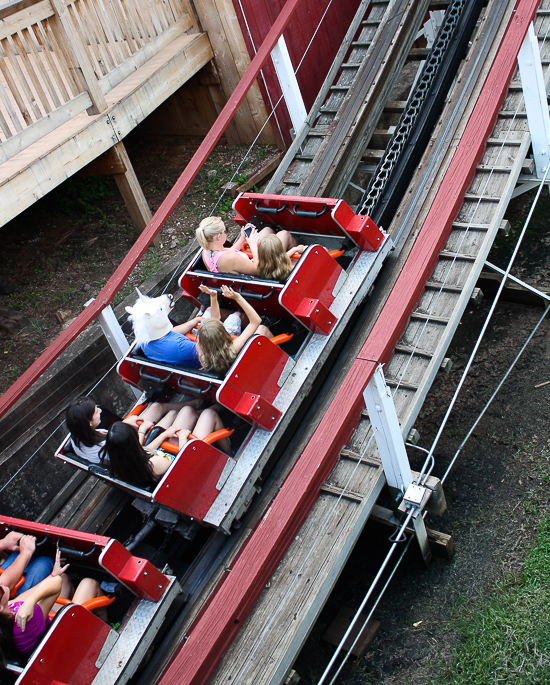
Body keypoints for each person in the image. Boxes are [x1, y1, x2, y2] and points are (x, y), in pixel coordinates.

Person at [0, 549, 105, 658]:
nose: (1, 584)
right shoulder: (25, 620)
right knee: (89, 583)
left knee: (64, 578)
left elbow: (35, 590)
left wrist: (53, 574)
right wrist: (31, 601)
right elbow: (55, 584)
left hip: (49, 630)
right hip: (64, 639)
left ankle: (86, 617)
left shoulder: (7, 612)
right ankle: (106, 631)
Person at [101, 406, 231, 488]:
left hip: (167, 455)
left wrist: (164, 435)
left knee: (187, 411)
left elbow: (147, 450)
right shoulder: (154, 464)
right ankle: (229, 455)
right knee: (209, 414)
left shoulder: (124, 461)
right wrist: (182, 439)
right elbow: (185, 464)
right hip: (188, 464)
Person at [195, 285, 272, 374]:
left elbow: (214, 322)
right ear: (223, 333)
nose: (221, 322)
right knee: (262, 329)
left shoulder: (201, 352)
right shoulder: (232, 348)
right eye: (221, 324)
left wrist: (213, 296)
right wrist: (238, 297)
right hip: (244, 365)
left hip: (225, 367)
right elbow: (256, 321)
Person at [196, 216, 298, 276]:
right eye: (225, 230)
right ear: (218, 237)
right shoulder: (229, 259)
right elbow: (258, 270)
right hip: (262, 272)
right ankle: (300, 256)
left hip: (247, 262)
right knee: (284, 235)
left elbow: (229, 251)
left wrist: (242, 239)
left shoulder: (208, 250)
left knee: (267, 231)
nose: (227, 232)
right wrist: (253, 245)